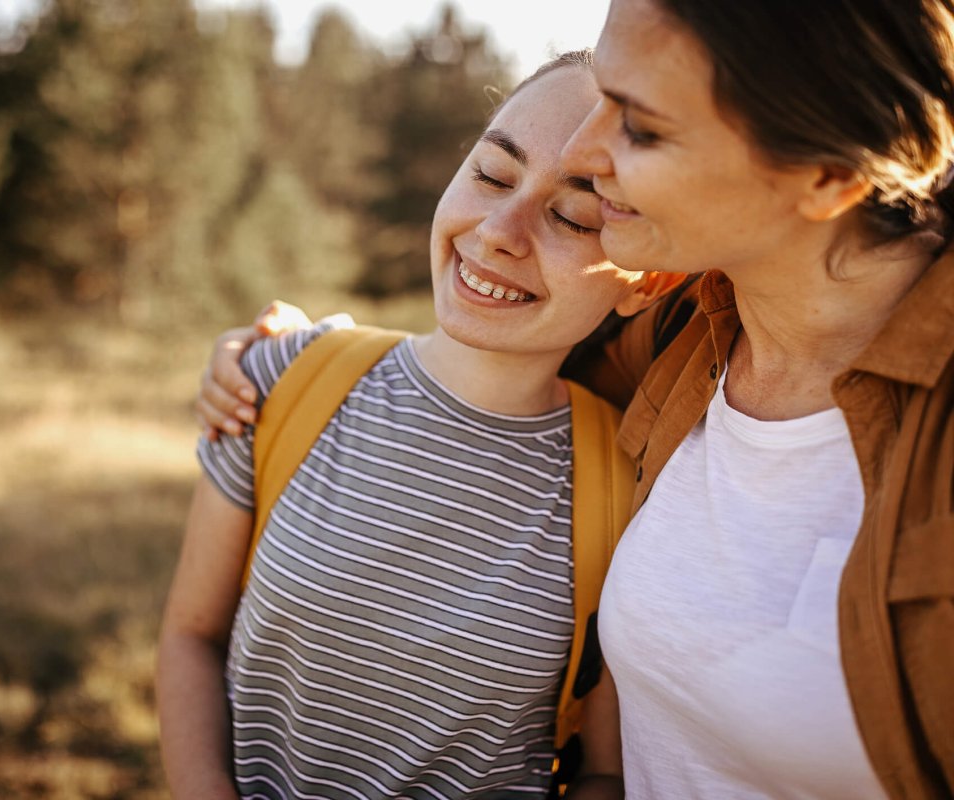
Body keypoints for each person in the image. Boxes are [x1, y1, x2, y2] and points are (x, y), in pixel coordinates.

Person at [197, 0, 954, 797]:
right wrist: (290, 354)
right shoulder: (672, 342)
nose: (590, 148)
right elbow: (486, 340)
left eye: (640, 125)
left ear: (827, 177)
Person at [157, 52, 685, 799]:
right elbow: (191, 637)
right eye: (492, 176)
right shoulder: (284, 379)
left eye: (573, 214)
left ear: (649, 279)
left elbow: (603, 770)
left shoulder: (632, 488)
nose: (500, 230)